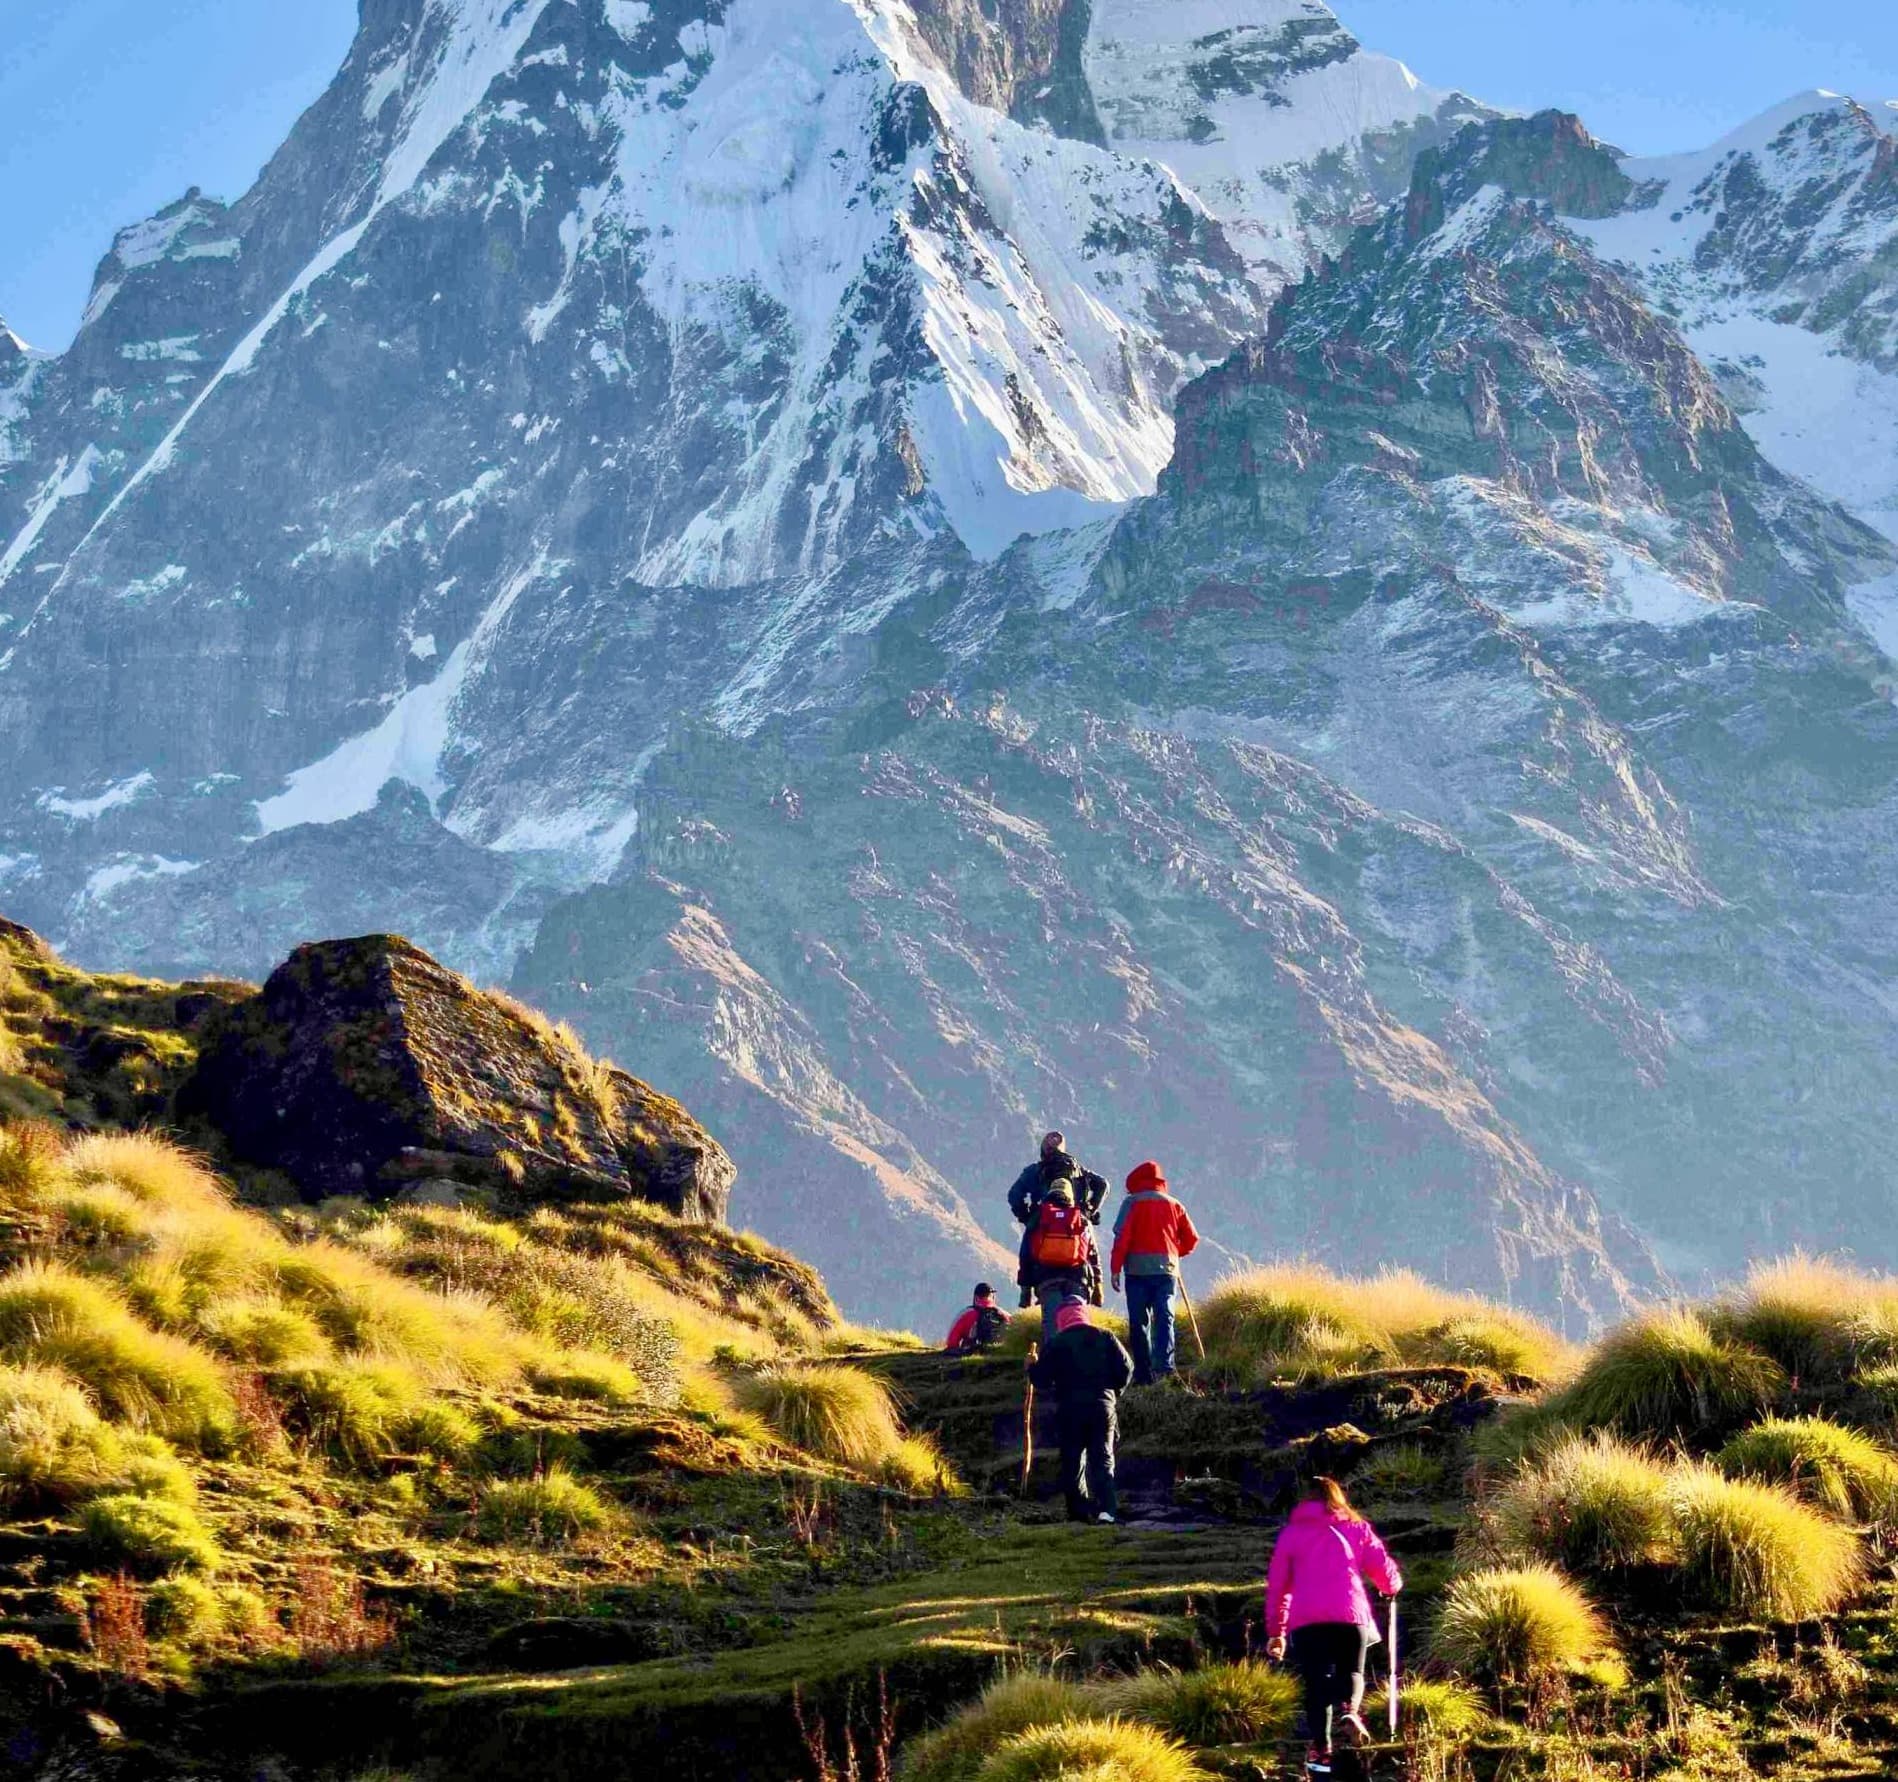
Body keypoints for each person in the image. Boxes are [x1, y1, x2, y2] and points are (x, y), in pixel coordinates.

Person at [1264, 1475, 1404, 1776]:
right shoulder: (1356, 1527)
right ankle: (1350, 1712)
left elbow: (1278, 1586)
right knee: (1352, 1671)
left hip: (1307, 1620)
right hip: (1350, 1615)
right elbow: (1383, 1568)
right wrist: (1392, 1586)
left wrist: (1276, 1631)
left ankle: (1321, 1748)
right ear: (1337, 1496)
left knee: (1316, 1683)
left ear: (1305, 1499)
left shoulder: (1292, 1534)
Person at [1027, 1300, 1133, 1523]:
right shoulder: (1106, 1336)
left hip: (1069, 1409)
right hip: (1102, 1407)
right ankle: (1107, 1511)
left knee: (1073, 1460)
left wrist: (1031, 1366)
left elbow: (1041, 1380)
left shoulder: (1056, 1343)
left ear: (1061, 1319)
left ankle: (1079, 1512)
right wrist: (1114, 1391)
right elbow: (1127, 1367)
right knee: (1103, 1457)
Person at [1109, 1159, 1200, 1385]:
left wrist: (1115, 1269)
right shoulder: (1174, 1204)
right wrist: (1175, 1253)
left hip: (1137, 1273)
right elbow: (1192, 1239)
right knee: (1164, 1318)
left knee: (1139, 1323)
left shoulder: (1131, 1202)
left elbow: (1122, 1238)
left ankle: (1143, 1373)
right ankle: (1165, 1369)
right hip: (1166, 1272)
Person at [1017, 1179, 1104, 1337]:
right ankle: (1079, 1358)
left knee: (1052, 1324)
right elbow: (1093, 1254)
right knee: (1078, 1324)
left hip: (1047, 1279)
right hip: (1078, 1279)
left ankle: (1054, 1359)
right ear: (1070, 1195)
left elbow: (1025, 1255)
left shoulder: (1039, 1217)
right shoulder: (1080, 1218)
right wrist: (1098, 1285)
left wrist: (1025, 1292)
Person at [1007, 1130, 1108, 1227]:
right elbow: (1103, 1184)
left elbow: (1014, 1195)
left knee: (1028, 1242)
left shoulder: (1034, 1170)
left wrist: (1026, 1217)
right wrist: (1089, 1212)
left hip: (1043, 1223)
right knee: (1089, 1242)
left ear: (1043, 1149)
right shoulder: (1078, 1170)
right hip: (1075, 1223)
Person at [944, 1282, 1009, 1354]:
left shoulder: (966, 1314)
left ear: (976, 1297)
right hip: (998, 1353)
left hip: (973, 1352)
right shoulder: (1003, 1314)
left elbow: (951, 1342)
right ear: (992, 1296)